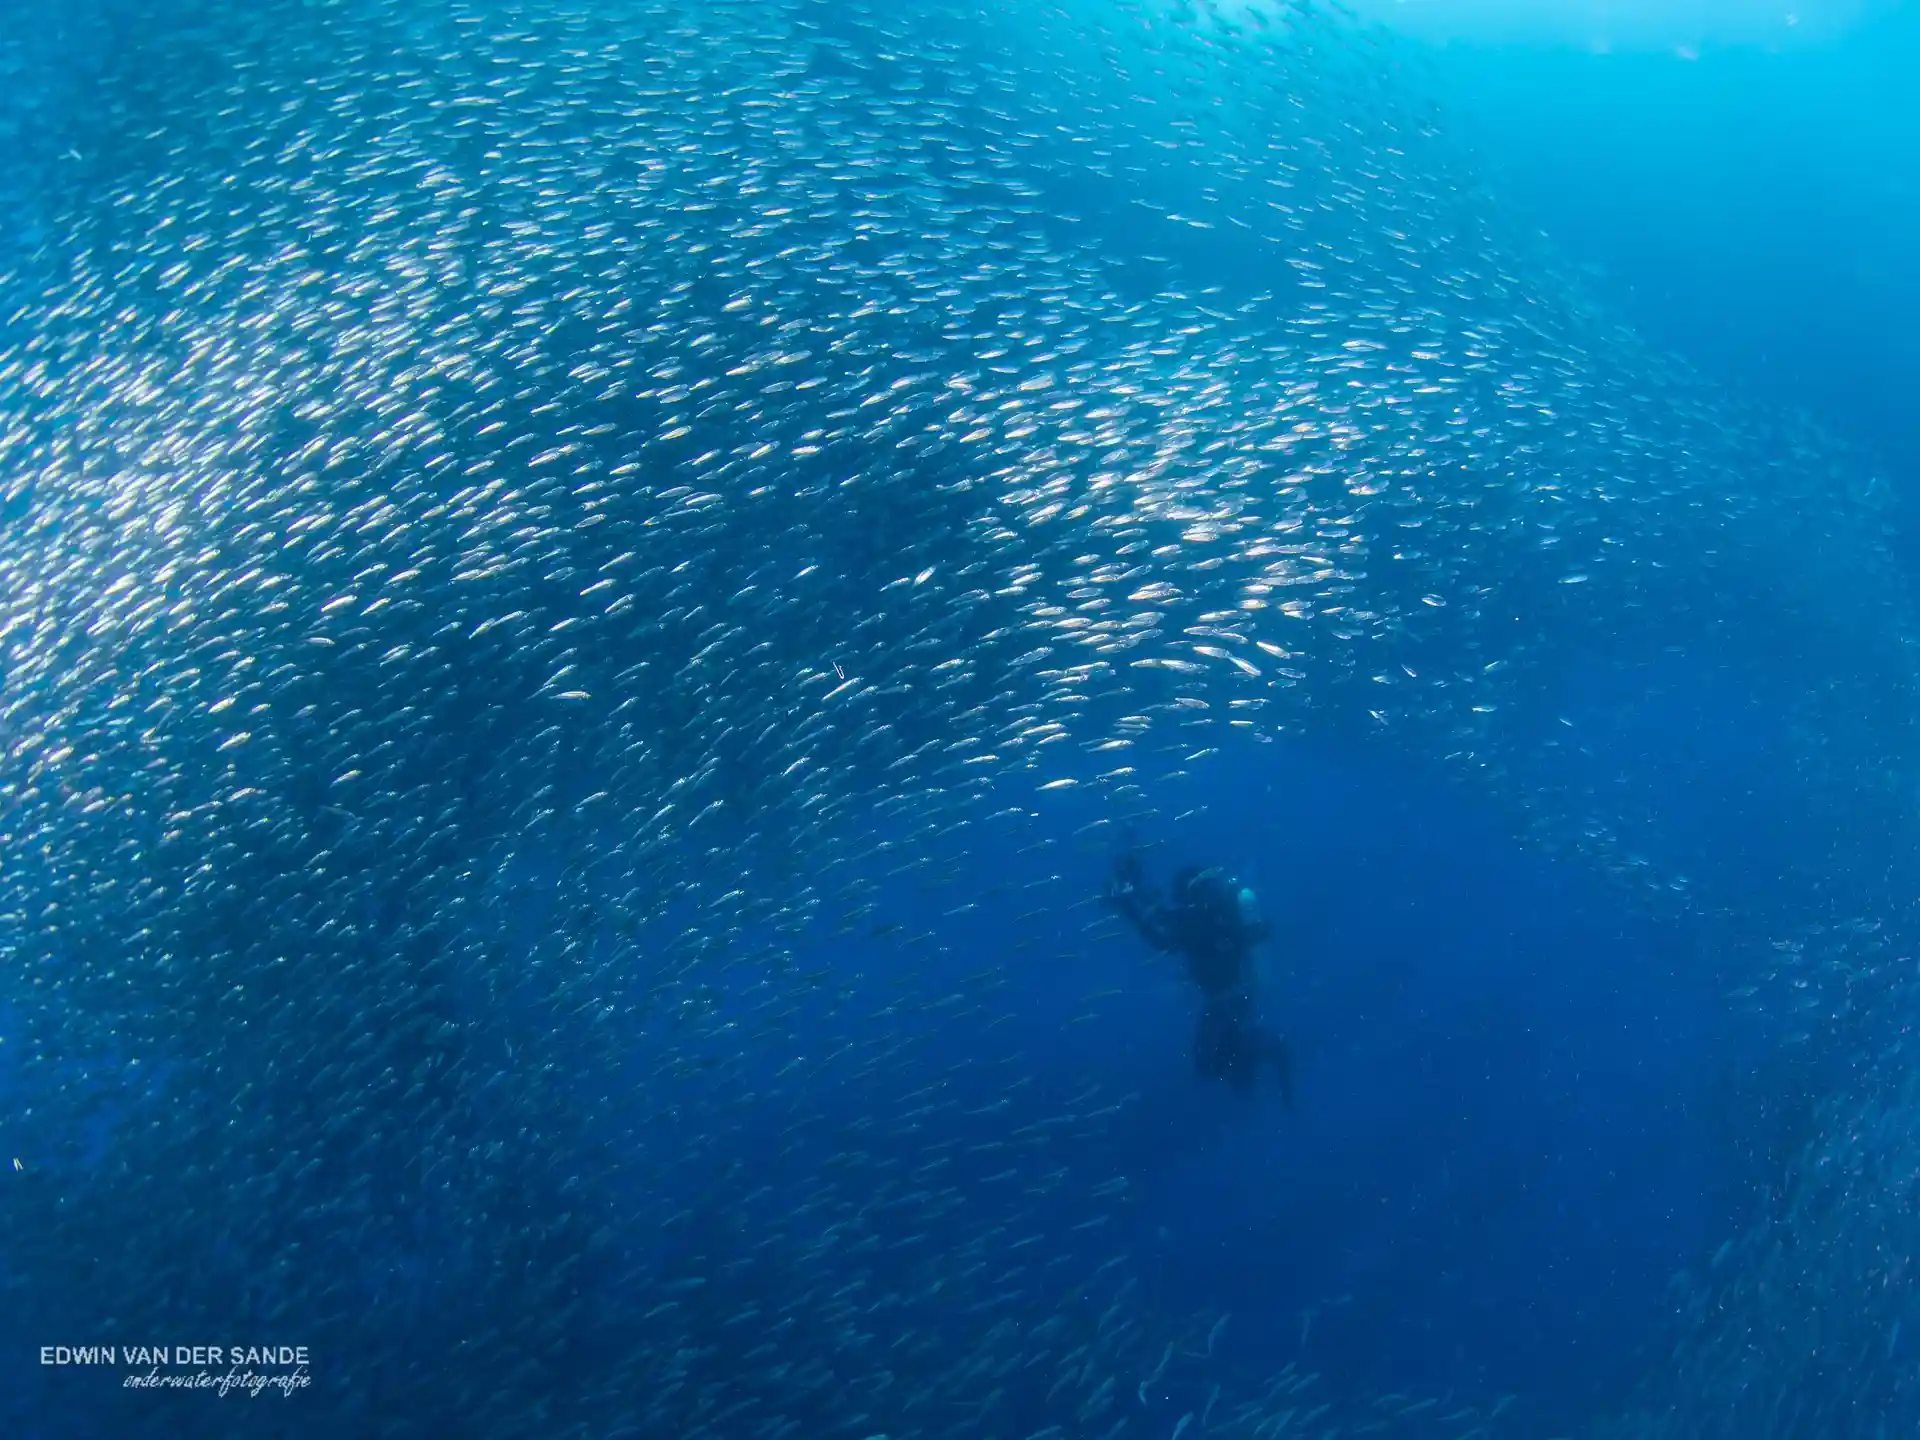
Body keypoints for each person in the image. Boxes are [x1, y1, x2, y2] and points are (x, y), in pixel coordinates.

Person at [1107, 851, 1294, 1106]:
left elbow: (1162, 935)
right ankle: (1249, 1058)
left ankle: (1252, 1053)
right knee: (1219, 1060)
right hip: (1238, 997)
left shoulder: (1198, 919)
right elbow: (1165, 916)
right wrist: (1135, 895)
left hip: (1223, 1003)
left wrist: (1128, 906)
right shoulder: (1213, 913)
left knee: (1207, 1065)